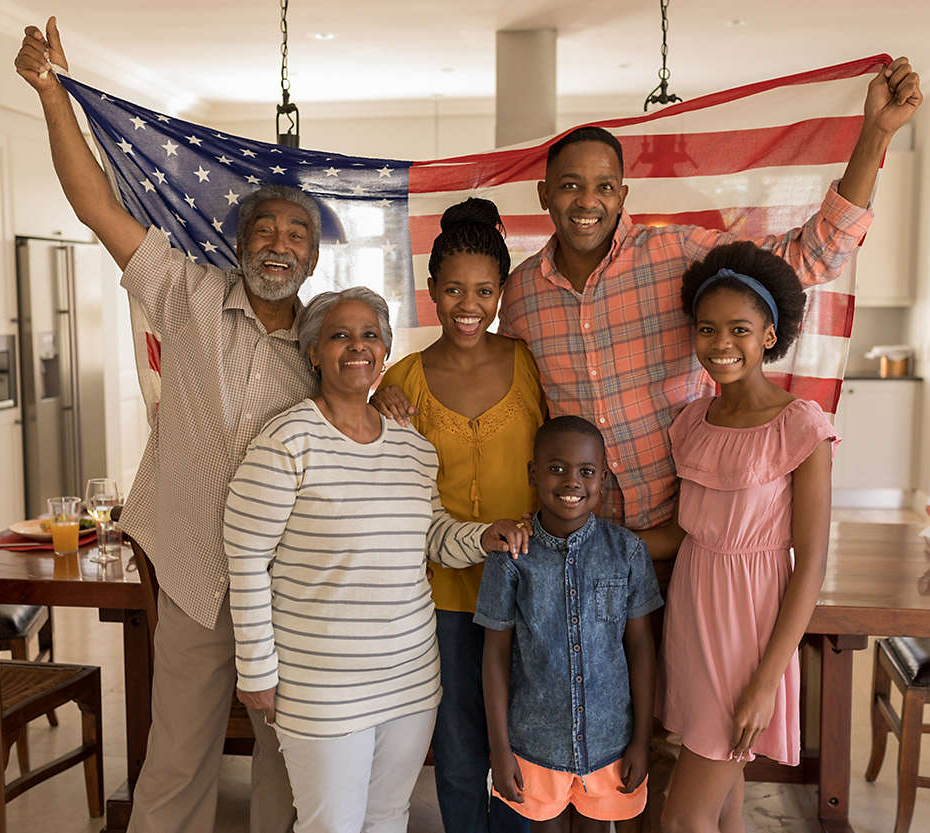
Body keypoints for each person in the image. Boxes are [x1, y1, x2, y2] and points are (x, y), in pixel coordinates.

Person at [14, 17, 313, 833]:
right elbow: (93, 200)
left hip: (290, 584)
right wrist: (53, 96)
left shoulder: (330, 343)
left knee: (289, 763)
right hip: (193, 569)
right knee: (177, 757)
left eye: (297, 234)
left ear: (313, 258)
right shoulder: (184, 293)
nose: (279, 245)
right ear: (240, 240)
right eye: (266, 229)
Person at [498, 58, 920, 566]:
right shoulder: (520, 293)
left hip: (691, 540)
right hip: (585, 550)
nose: (588, 201)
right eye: (570, 185)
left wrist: (875, 132)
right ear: (544, 194)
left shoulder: (677, 254)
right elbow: (516, 403)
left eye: (604, 186)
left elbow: (815, 254)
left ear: (623, 196)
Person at [224, 287, 531, 833]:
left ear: (384, 354)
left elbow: (432, 536)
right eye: (340, 335)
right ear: (314, 351)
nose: (357, 347)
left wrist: (486, 537)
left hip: (411, 680)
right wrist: (256, 668)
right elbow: (246, 556)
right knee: (330, 824)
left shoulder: (412, 446)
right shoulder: (288, 439)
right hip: (321, 685)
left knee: (388, 818)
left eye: (370, 336)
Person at [656, 242, 838, 832]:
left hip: (749, 629)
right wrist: (593, 532)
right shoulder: (691, 422)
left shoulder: (800, 425)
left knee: (683, 819)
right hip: (692, 612)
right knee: (724, 801)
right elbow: (689, 533)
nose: (720, 344)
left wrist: (766, 682)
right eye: (707, 329)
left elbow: (809, 562)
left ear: (768, 335)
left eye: (739, 328)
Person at [376, 198, 543, 833]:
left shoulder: (530, 366)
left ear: (501, 292)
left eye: (483, 290)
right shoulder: (402, 381)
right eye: (452, 290)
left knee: (521, 733)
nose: (467, 305)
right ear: (431, 292)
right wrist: (378, 403)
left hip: (526, 589)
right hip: (437, 594)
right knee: (457, 740)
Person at [476, 416, 663, 833]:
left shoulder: (627, 552)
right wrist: (499, 749)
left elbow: (641, 649)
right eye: (556, 468)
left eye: (586, 471)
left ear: (603, 477)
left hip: (611, 742)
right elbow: (494, 654)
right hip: (535, 742)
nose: (570, 482)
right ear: (533, 474)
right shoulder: (510, 557)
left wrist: (640, 740)